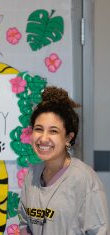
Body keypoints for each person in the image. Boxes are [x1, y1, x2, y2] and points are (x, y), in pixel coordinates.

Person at [18, 86, 109, 234]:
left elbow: (99, 231)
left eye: (53, 131)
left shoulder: (84, 180)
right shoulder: (32, 175)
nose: (43, 138)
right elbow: (24, 223)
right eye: (39, 129)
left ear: (68, 138)